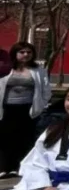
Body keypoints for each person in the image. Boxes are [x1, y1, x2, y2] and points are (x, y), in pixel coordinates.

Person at [0, 42, 53, 179]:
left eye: (29, 52)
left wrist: (41, 106)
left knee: (25, 139)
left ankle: (19, 167)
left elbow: (46, 90)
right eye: (22, 52)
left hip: (28, 109)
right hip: (6, 109)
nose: (26, 55)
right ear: (15, 54)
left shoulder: (38, 70)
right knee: (5, 138)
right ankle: (4, 168)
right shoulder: (5, 68)